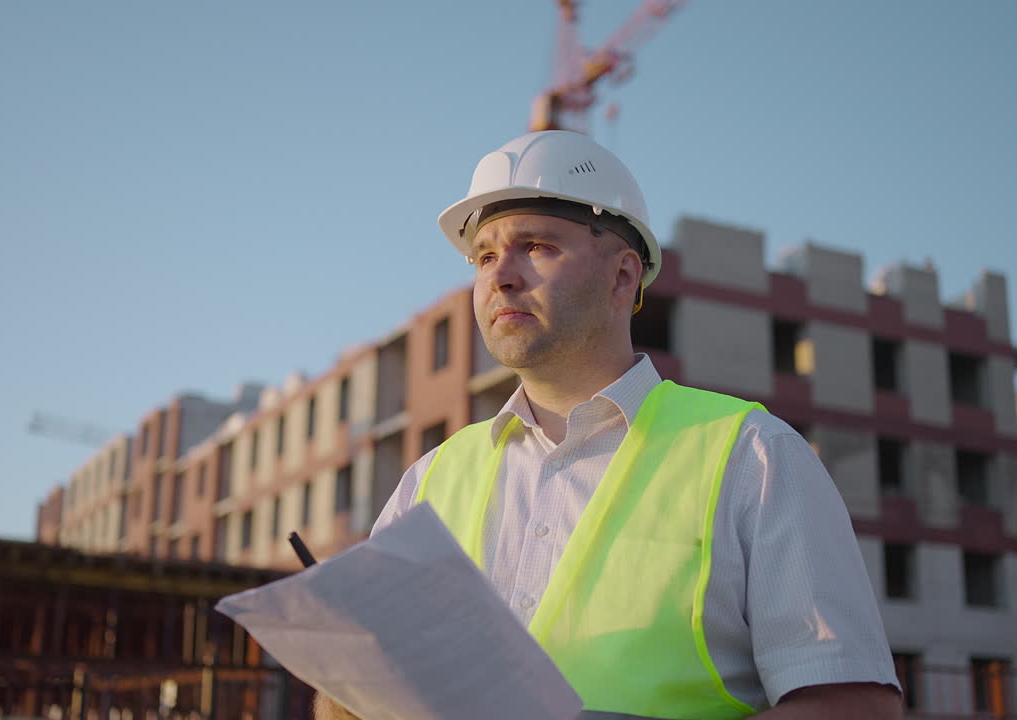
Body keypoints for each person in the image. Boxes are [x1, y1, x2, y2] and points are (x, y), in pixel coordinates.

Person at [317, 131, 901, 719]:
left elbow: (854, 706)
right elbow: (351, 699)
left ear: (623, 277)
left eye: (537, 246)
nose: (501, 277)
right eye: (485, 256)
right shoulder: (430, 483)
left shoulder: (755, 458)